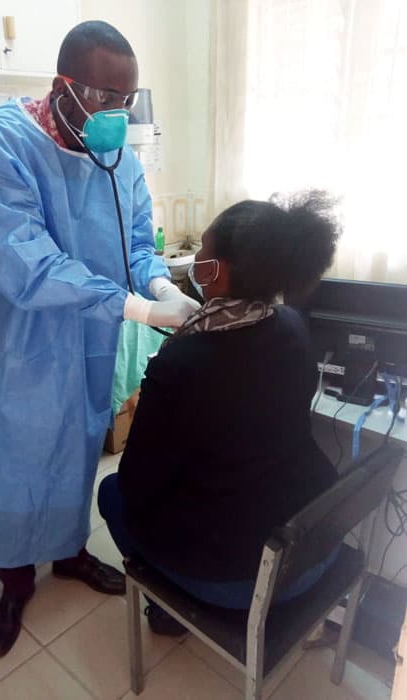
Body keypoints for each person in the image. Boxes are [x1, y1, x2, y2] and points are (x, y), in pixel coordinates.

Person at [0, 20, 200, 658]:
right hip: (16, 343)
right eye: (106, 98)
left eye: (128, 101)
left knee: (78, 448)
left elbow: (136, 240)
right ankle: (13, 580)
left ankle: (69, 554)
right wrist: (132, 307)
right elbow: (23, 261)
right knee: (14, 459)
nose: (118, 113)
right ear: (63, 87)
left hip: (86, 338)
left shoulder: (117, 158)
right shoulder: (0, 143)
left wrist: (159, 283)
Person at [98, 191, 340, 634]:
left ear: (219, 270)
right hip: (312, 547)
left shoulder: (180, 364)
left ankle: (172, 607)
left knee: (110, 493)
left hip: (240, 581)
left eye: (202, 254)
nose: (196, 262)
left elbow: (136, 483)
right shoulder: (293, 326)